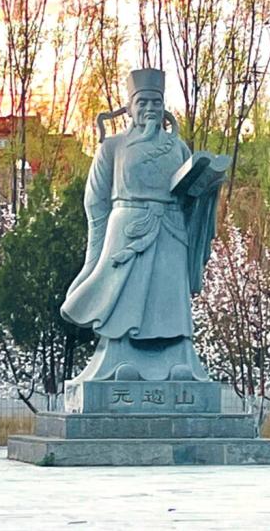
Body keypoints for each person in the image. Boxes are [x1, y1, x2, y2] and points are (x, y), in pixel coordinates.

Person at [61, 69, 221, 392]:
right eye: (143, 102)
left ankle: (178, 358)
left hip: (171, 228)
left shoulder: (178, 149)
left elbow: (188, 193)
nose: (150, 108)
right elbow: (95, 199)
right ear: (130, 108)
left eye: (156, 102)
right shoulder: (113, 147)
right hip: (128, 229)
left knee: (169, 295)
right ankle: (120, 356)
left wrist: (205, 188)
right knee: (125, 296)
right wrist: (99, 243)